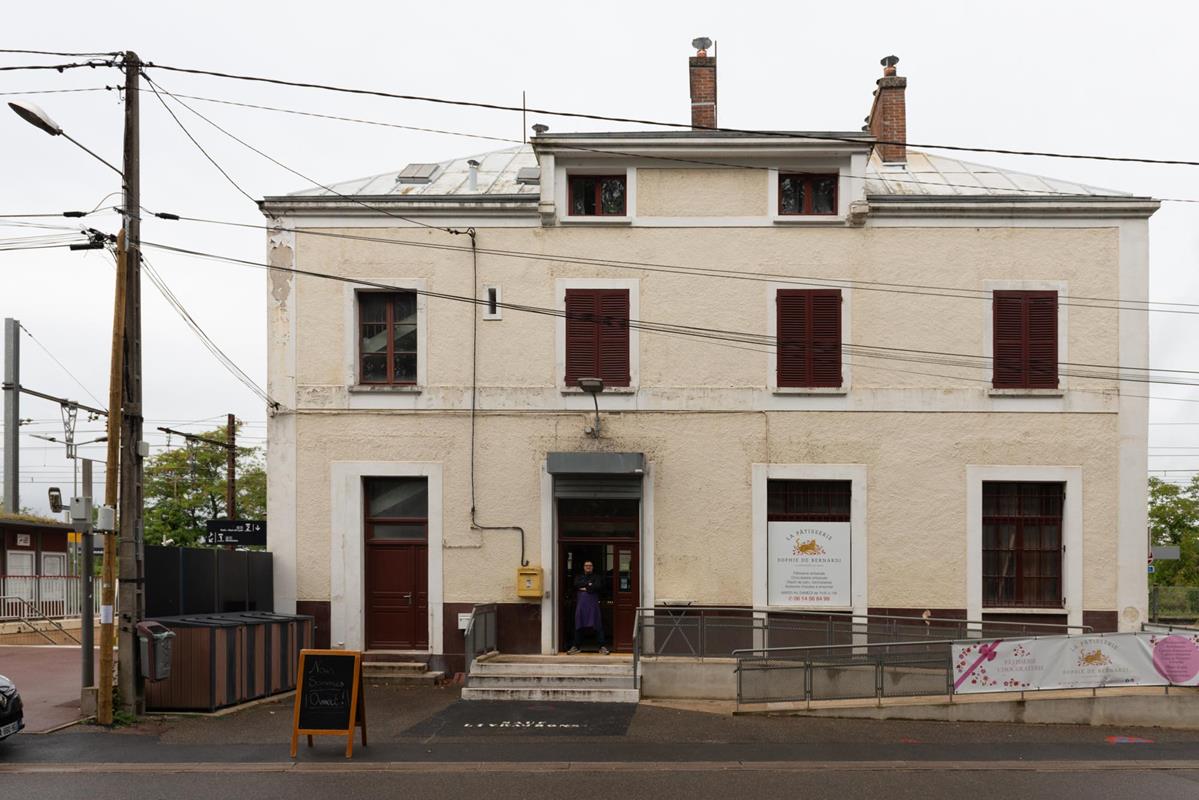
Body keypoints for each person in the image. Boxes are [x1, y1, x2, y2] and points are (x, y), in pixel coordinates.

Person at [568, 560, 608, 655]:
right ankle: (576, 647)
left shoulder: (597, 577)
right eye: (586, 565)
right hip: (581, 606)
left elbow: (598, 586)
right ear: (583, 567)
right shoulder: (579, 576)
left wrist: (585, 588)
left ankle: (601, 647)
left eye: (590, 565)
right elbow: (576, 584)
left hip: (593, 606)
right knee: (579, 624)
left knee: (597, 625)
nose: (588, 567)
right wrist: (589, 586)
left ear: (593, 567)